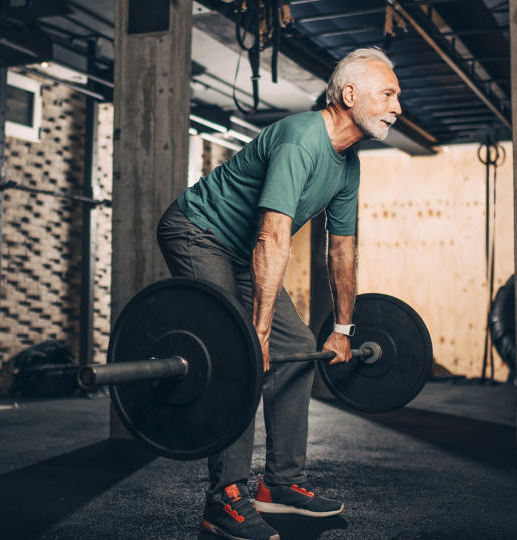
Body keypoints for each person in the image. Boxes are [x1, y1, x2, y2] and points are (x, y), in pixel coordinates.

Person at [157, 47, 401, 540]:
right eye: (389, 93)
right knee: (240, 355)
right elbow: (273, 236)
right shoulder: (301, 137)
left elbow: (342, 253)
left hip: (244, 249)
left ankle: (281, 484)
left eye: (398, 96)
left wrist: (342, 330)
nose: (398, 106)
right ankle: (224, 498)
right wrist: (256, 334)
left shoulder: (347, 165)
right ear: (349, 95)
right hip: (198, 232)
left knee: (295, 351)